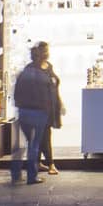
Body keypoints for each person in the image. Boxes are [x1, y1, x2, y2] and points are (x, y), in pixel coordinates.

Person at [11, 42, 57, 185]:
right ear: (40, 56)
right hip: (38, 113)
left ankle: (16, 173)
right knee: (34, 144)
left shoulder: (24, 73)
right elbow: (49, 96)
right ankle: (32, 176)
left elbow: (16, 93)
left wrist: (20, 107)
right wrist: (49, 111)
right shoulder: (43, 76)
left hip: (24, 112)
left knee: (21, 145)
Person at [38, 47, 64, 176]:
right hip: (38, 107)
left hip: (49, 106)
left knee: (41, 135)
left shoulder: (48, 66)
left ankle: (37, 163)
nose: (48, 53)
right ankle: (51, 164)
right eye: (45, 51)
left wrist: (60, 102)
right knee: (45, 135)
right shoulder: (33, 69)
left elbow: (54, 84)